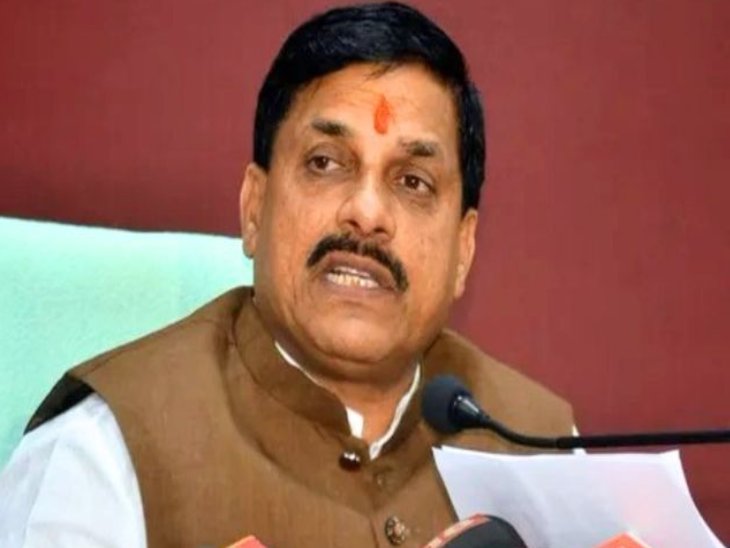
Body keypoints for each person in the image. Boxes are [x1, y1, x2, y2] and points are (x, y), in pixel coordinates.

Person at [0, 2, 574, 546]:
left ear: (464, 251)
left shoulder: (539, 451)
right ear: (254, 208)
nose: (367, 212)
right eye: (325, 163)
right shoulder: (103, 457)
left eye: (412, 182)